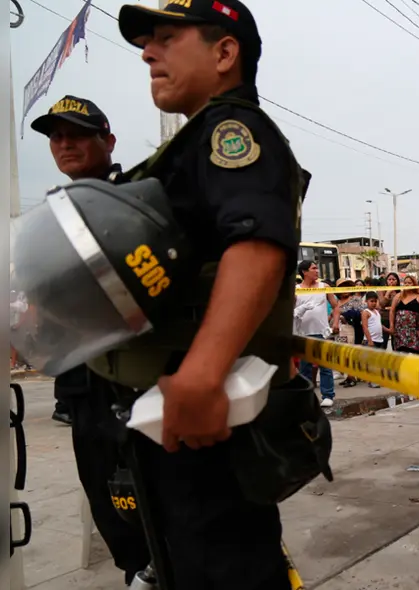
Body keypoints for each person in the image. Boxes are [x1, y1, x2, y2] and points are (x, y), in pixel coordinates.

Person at [104, 2, 330, 586]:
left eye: (166, 38)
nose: (148, 52)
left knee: (225, 570)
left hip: (207, 416)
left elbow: (256, 247)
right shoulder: (193, 143)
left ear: (225, 53)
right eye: (147, 41)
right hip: (179, 412)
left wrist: (203, 374)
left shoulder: (233, 131)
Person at [28, 95, 151, 585]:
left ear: (108, 140)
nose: (64, 144)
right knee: (106, 496)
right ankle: (134, 572)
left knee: (151, 497)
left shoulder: (139, 197)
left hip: (135, 379)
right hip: (82, 383)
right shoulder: (55, 210)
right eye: (56, 137)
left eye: (76, 134)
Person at [294, 260, 337, 407]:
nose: (317, 271)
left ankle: (328, 395)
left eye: (317, 268)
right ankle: (308, 397)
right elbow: (290, 311)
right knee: (304, 367)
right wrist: (300, 310)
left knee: (325, 365)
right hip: (303, 333)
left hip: (322, 332)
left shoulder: (324, 287)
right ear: (304, 272)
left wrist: (335, 322)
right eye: (313, 268)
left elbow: (336, 306)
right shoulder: (296, 289)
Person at [389, 275, 419, 355]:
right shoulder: (398, 296)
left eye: (409, 283)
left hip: (414, 330)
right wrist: (392, 326)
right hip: (399, 330)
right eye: (405, 283)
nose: (407, 284)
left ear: (414, 284)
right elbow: (392, 311)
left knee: (416, 353)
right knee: (401, 354)